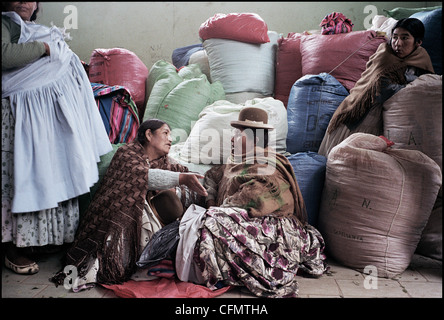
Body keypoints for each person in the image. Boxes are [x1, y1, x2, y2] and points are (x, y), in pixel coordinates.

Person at [2, 2, 112, 274]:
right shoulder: (6, 22)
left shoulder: (30, 28)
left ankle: (36, 241)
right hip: (17, 118)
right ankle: (11, 248)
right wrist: (45, 49)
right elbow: (4, 56)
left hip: (40, 120)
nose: (25, 1)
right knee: (20, 180)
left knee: (45, 175)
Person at [180, 107, 328, 298]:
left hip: (273, 228)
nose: (232, 139)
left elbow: (253, 200)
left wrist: (215, 211)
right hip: (239, 217)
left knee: (213, 221)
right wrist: (210, 201)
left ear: (254, 139)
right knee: (204, 213)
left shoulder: (267, 164)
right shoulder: (236, 160)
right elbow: (212, 176)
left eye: (237, 134)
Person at [51, 119, 208, 291]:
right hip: (113, 218)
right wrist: (179, 179)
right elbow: (142, 176)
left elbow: (184, 173)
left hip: (150, 224)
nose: (170, 139)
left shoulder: (164, 162)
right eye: (165, 133)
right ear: (149, 135)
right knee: (128, 209)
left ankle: (148, 256)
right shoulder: (127, 153)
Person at [319, 17, 435, 157]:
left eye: (405, 38)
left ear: (418, 42)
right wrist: (409, 87)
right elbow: (381, 88)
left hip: (395, 120)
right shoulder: (385, 55)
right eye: (395, 37)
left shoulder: (421, 59)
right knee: (347, 157)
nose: (397, 43)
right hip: (363, 113)